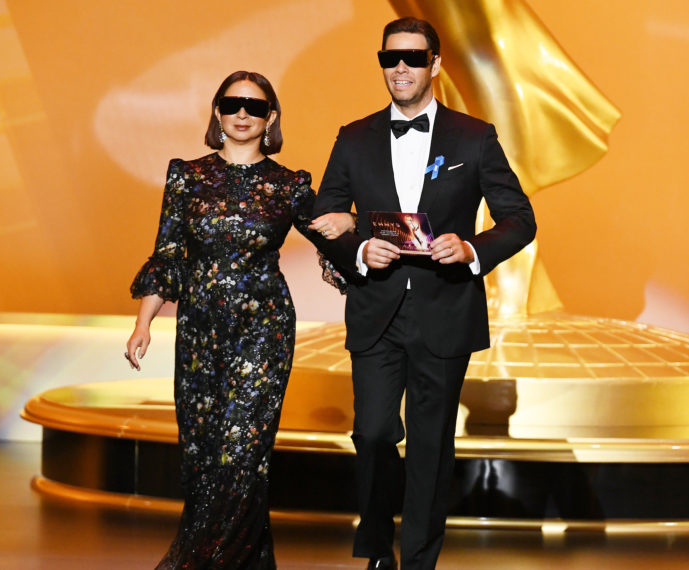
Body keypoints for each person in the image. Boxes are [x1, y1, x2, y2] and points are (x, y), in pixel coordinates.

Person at [312, 17, 537, 570]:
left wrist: (471, 250)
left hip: (444, 310)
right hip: (376, 310)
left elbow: (520, 219)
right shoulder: (354, 136)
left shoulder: (474, 136)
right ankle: (376, 545)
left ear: (435, 63)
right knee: (372, 433)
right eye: (390, 59)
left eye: (413, 58)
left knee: (432, 447)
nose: (401, 68)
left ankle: (416, 560)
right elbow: (324, 218)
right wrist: (363, 250)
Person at [125, 70, 352, 569]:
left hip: (263, 331)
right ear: (217, 113)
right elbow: (169, 254)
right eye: (232, 104)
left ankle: (200, 563)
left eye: (254, 106)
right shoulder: (186, 174)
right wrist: (144, 323)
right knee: (204, 454)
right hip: (200, 330)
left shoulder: (288, 184)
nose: (243, 114)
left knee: (242, 452)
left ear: (271, 116)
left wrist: (354, 221)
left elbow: (329, 237)